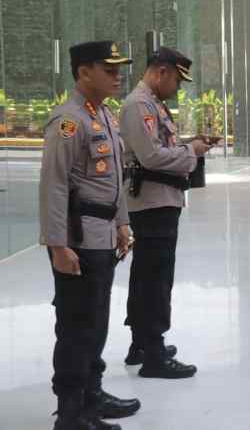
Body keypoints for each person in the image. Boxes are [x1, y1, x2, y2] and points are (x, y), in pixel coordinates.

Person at [40, 41, 140, 430]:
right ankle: (71, 413)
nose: (118, 76)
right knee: (76, 326)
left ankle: (91, 395)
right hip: (77, 241)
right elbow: (54, 186)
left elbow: (113, 179)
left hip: (101, 236)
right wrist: (58, 245)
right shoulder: (68, 121)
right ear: (83, 72)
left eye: (119, 69)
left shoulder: (104, 116)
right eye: (109, 69)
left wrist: (122, 223)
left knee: (95, 321)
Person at [119, 47, 209, 379]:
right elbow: (152, 156)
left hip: (161, 199)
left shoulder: (153, 104)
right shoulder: (139, 105)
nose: (178, 88)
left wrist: (188, 143)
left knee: (148, 274)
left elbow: (159, 147)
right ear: (161, 72)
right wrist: (191, 151)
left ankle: (142, 344)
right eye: (176, 80)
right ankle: (153, 352)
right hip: (152, 201)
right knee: (155, 278)